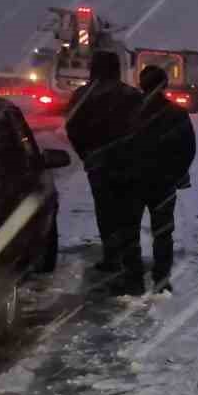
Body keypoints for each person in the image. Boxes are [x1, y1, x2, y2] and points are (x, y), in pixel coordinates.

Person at [64, 50, 144, 291]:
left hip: (99, 165)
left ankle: (111, 258)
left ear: (94, 69)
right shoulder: (132, 95)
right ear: (117, 68)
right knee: (129, 214)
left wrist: (87, 155)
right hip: (129, 165)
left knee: (106, 211)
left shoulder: (82, 95)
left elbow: (73, 128)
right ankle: (131, 263)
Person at [125, 65, 197, 294]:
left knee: (129, 231)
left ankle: (133, 279)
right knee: (163, 233)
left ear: (141, 84)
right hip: (163, 183)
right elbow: (187, 149)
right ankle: (161, 279)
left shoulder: (127, 112)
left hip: (132, 181)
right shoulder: (176, 113)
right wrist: (175, 173)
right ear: (164, 85)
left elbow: (115, 146)